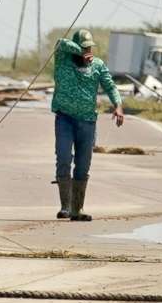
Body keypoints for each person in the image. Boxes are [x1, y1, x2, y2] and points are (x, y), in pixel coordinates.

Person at [49, 28, 124, 221]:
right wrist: (78, 51)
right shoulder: (63, 61)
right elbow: (60, 43)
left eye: (89, 48)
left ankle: (77, 209)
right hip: (64, 118)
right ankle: (65, 206)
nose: (87, 51)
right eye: (84, 48)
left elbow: (110, 86)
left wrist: (118, 106)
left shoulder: (97, 65)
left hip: (87, 122)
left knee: (83, 165)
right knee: (64, 158)